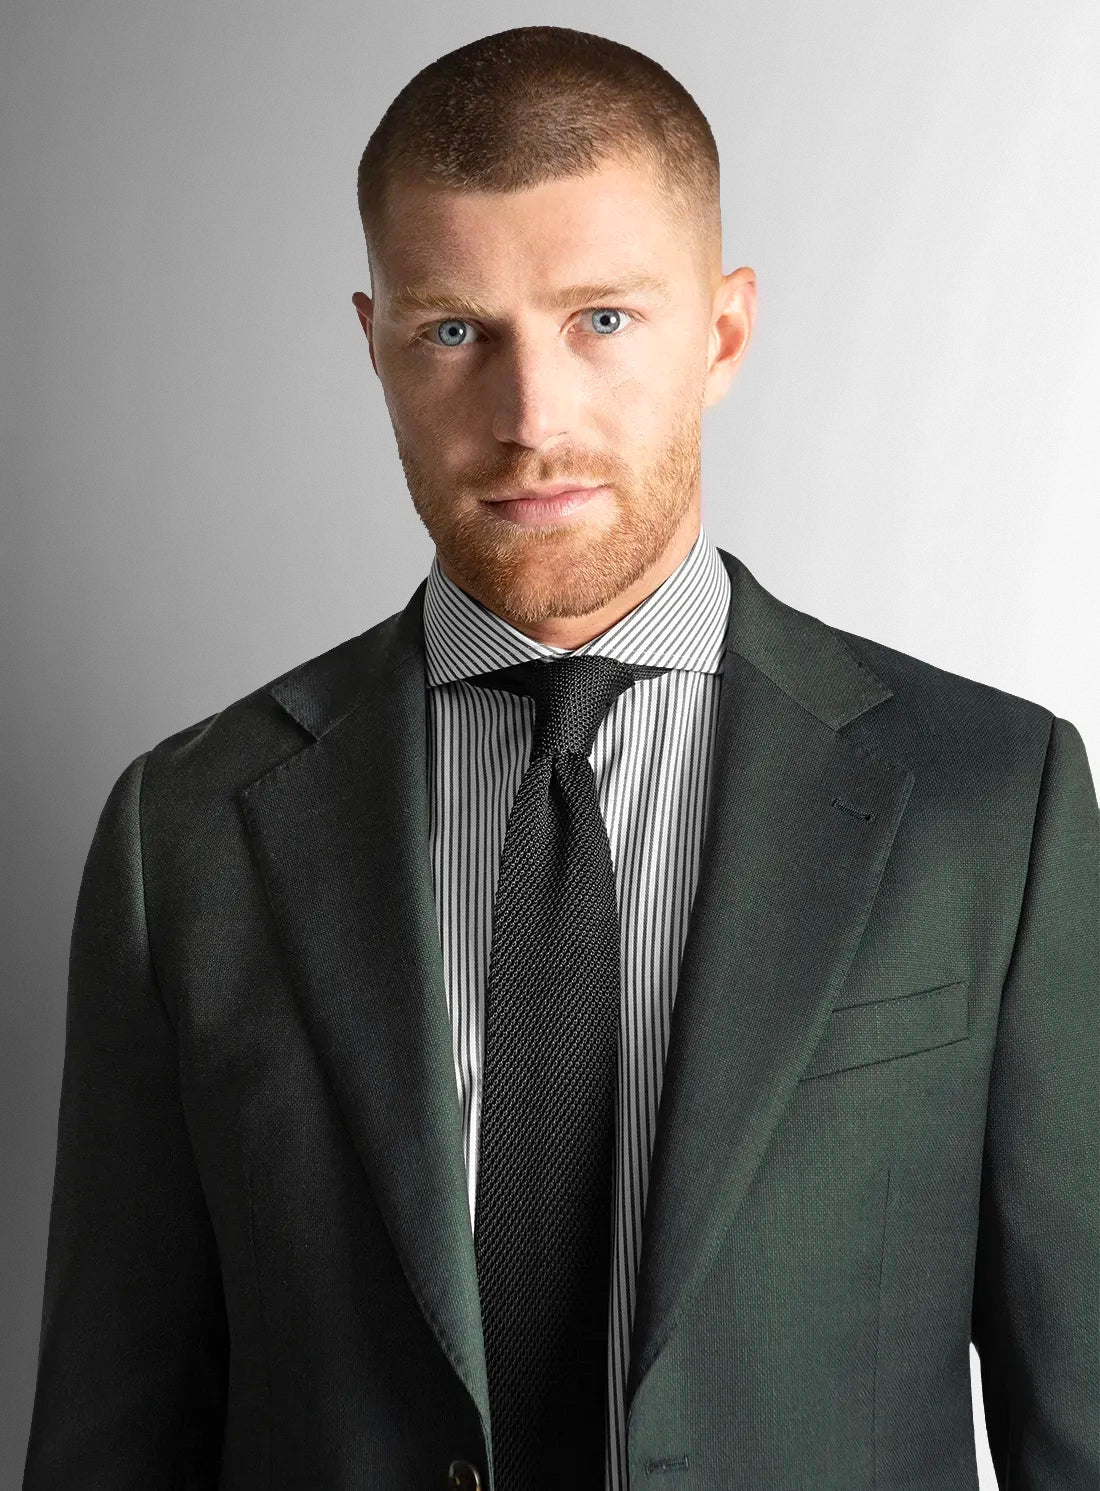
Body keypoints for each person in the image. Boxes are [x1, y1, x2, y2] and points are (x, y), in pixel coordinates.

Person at [23, 24, 1098, 1491]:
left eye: (602, 319)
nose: (531, 420)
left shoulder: (995, 799)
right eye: (453, 332)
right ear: (376, 344)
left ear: (723, 333)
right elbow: (112, 1430)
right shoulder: (188, 830)